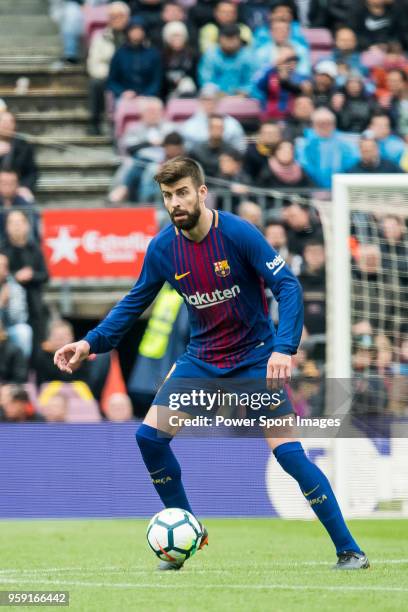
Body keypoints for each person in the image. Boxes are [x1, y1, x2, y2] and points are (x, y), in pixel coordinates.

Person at [54, 156, 369, 572]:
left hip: (256, 357)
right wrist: (90, 342)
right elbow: (134, 303)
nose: (175, 203)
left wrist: (284, 347)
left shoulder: (238, 233)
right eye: (168, 196)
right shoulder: (163, 248)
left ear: (202, 192)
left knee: (290, 454)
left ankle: (349, 550)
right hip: (201, 361)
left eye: (182, 193)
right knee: (149, 439)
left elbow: (287, 286)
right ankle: (189, 531)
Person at [0, 210, 48, 352]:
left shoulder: (35, 249)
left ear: (27, 225)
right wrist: (15, 277)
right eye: (12, 223)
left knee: (37, 343)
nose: (16, 226)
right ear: (7, 227)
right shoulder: (2, 249)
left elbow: (45, 275)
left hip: (33, 301)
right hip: (7, 303)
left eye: (20, 222)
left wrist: (31, 275)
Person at [86, 1, 130, 135]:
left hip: (130, 78)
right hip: (106, 76)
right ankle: (95, 122)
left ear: (127, 18)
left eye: (120, 16)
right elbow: (93, 63)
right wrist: (111, 74)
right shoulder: (100, 37)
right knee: (95, 84)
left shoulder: (134, 36)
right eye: (113, 16)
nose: (117, 19)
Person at [296, 107, 359, 188]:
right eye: (321, 123)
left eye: (328, 123)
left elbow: (352, 165)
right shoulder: (303, 144)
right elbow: (303, 168)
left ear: (334, 124)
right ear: (313, 125)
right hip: (311, 190)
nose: (325, 126)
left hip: (341, 188)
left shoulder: (346, 143)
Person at [106, 16, 162, 100]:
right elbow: (111, 81)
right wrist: (122, 92)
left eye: (140, 30)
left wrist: (146, 94)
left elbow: (157, 81)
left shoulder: (153, 54)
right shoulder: (120, 54)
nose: (137, 32)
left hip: (148, 97)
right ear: (128, 32)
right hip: (124, 96)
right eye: (134, 29)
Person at [181, 84, 246, 152]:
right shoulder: (189, 126)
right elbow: (186, 152)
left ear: (218, 101)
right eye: (205, 99)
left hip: (227, 159)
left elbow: (240, 149)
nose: (209, 103)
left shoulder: (232, 124)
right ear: (200, 101)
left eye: (212, 100)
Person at [252, 45, 310, 121]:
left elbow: (299, 89)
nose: (291, 63)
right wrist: (272, 67)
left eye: (294, 59)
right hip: (270, 117)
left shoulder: (301, 78)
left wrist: (284, 78)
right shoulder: (270, 75)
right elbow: (257, 85)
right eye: (287, 60)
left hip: (292, 120)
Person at [198, 24, 254, 96]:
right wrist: (217, 92)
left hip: (243, 98)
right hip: (215, 98)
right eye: (227, 39)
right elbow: (205, 80)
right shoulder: (211, 55)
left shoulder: (248, 56)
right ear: (219, 39)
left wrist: (244, 91)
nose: (230, 43)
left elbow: (253, 80)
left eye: (233, 39)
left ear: (239, 40)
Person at [0, 252, 32, 358]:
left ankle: (22, 370)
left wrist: (6, 306)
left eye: (4, 266)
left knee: (24, 331)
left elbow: (19, 319)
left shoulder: (14, 289)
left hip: (8, 328)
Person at [0, 112, 38, 198]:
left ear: (14, 125)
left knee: (27, 199)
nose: (6, 125)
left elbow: (32, 172)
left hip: (16, 189)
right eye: (2, 122)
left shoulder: (24, 145)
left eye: (10, 122)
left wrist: (25, 187)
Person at [161, 21, 197, 100]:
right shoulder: (162, 56)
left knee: (187, 84)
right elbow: (161, 78)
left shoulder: (193, 55)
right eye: (173, 36)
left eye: (179, 36)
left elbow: (195, 76)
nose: (177, 39)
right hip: (168, 91)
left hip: (189, 91)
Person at [0, 170, 39, 239]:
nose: (8, 187)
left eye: (11, 183)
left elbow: (34, 231)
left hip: (22, 245)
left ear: (17, 184)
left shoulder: (26, 205)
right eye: (4, 183)